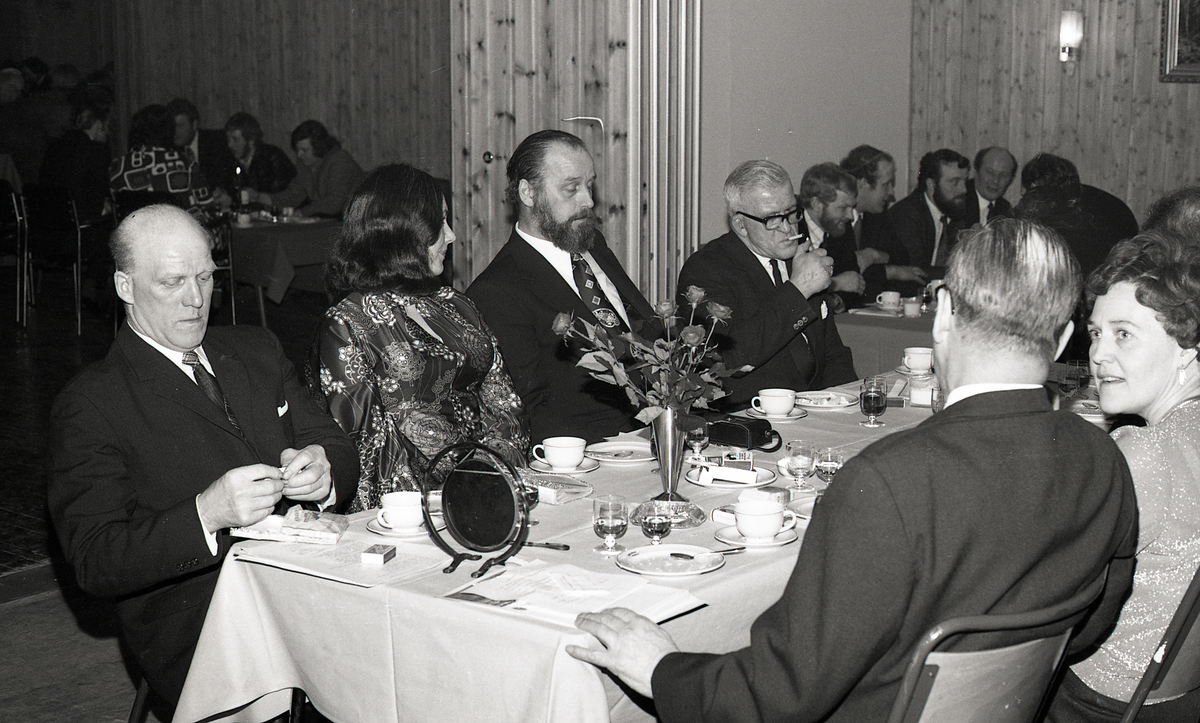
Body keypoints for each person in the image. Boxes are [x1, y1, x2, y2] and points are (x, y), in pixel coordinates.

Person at [568, 218, 1139, 723]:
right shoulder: (1105, 461)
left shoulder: (890, 481)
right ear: (1063, 337)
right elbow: (1088, 623)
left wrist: (662, 669)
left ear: (942, 317)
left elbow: (780, 695)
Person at [48, 205, 359, 706]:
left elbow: (336, 444)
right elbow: (97, 560)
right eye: (172, 283)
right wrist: (206, 514)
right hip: (200, 614)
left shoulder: (256, 348)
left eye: (205, 277)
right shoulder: (92, 405)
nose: (196, 300)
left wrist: (324, 470)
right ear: (125, 287)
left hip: (313, 582)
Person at [312, 164, 529, 511]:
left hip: (490, 485)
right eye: (437, 225)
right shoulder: (348, 322)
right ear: (399, 233)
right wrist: (467, 480)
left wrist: (498, 469)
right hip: (412, 509)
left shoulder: (456, 304)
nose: (452, 235)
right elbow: (368, 444)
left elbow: (503, 399)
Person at [1047, 233, 1200, 723]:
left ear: (1187, 349)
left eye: (1124, 334)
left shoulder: (1144, 453)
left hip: (1101, 703)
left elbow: (1044, 577)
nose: (1098, 354)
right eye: (1095, 333)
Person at [466, 129, 660, 443]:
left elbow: (646, 336)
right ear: (528, 194)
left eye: (590, 185)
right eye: (571, 189)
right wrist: (632, 441)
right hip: (598, 454)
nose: (589, 201)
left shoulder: (594, 248)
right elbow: (533, 414)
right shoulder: (497, 291)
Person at [675, 160, 855, 408]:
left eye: (792, 213)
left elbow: (832, 353)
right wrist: (799, 289)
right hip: (751, 415)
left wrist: (846, 402)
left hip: (813, 412)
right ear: (741, 225)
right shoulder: (707, 270)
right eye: (772, 219)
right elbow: (731, 358)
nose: (787, 227)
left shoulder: (799, 258)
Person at [838, 144, 926, 298]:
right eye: (886, 185)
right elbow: (850, 273)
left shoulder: (877, 215)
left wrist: (874, 255)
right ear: (862, 184)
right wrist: (892, 272)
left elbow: (902, 258)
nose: (891, 192)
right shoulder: (836, 217)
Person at [109, 104, 218, 215]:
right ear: (169, 131)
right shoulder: (186, 163)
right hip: (179, 231)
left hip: (136, 231)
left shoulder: (118, 167)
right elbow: (208, 207)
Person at [256, 120, 365, 218]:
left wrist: (301, 213)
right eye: (297, 149)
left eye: (304, 150)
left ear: (319, 147)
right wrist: (258, 197)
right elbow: (293, 196)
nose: (299, 154)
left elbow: (334, 203)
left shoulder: (340, 160)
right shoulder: (306, 165)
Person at [796, 162, 868, 306]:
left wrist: (834, 301)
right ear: (816, 204)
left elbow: (856, 286)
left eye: (851, 207)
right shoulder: (790, 228)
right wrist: (835, 284)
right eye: (843, 207)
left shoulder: (840, 227)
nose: (850, 216)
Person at [888, 148, 970, 271]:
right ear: (931, 185)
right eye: (955, 182)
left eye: (964, 181)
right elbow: (916, 270)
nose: (964, 190)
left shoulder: (954, 211)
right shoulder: (906, 214)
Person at [39, 101, 112, 224]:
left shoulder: (54, 147)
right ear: (99, 124)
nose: (109, 133)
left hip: (50, 218)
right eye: (108, 127)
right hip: (82, 219)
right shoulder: (96, 150)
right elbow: (101, 190)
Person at [165, 97, 238, 197]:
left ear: (194, 125)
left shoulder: (217, 142)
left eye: (180, 126)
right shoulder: (167, 150)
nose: (175, 132)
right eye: (172, 127)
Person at [223, 111, 296, 195]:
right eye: (228, 139)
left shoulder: (272, 158)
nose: (230, 145)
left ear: (251, 140)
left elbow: (280, 196)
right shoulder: (231, 160)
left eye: (235, 139)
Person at [963, 146, 1017, 227]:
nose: (995, 181)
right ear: (976, 171)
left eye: (1003, 175)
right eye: (990, 172)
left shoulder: (1005, 210)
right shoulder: (958, 200)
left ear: (1010, 180)